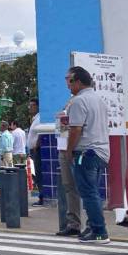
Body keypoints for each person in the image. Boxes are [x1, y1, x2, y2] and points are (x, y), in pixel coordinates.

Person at [64, 66, 111, 244]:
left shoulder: (78, 101)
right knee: (93, 192)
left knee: (88, 193)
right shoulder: (99, 99)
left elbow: (76, 129)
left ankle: (99, 232)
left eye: (69, 80)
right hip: (101, 152)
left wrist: (69, 151)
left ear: (78, 81)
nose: (67, 84)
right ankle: (93, 227)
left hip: (86, 152)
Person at [55, 100, 82, 237]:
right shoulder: (68, 106)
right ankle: (73, 223)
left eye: (71, 79)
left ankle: (92, 225)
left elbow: (76, 129)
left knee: (85, 189)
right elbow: (63, 130)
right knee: (68, 187)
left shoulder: (81, 102)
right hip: (64, 147)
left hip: (77, 150)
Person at [27, 98, 45, 206]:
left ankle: (42, 197)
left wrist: (36, 145)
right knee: (38, 174)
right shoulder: (35, 118)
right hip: (34, 150)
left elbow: (41, 132)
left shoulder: (40, 118)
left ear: (38, 106)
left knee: (39, 174)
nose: (30, 107)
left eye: (32, 105)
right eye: (30, 105)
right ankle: (41, 196)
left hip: (37, 150)